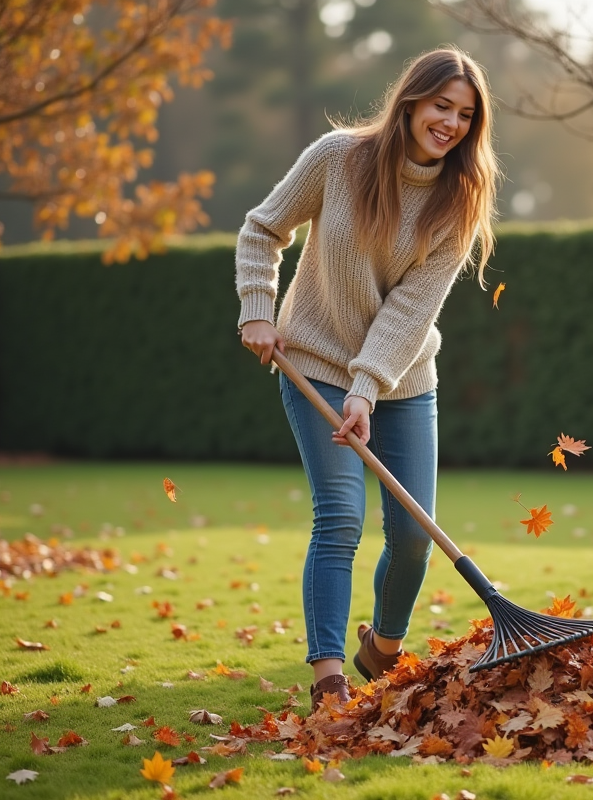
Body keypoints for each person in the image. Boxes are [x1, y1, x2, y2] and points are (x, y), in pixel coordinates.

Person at [235, 47, 499, 712]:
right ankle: (328, 677)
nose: (452, 123)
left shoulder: (459, 198)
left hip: (403, 380)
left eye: (466, 115)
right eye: (442, 106)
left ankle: (382, 646)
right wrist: (258, 310)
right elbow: (262, 229)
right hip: (315, 365)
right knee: (340, 519)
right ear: (411, 101)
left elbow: (411, 310)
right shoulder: (337, 158)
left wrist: (367, 389)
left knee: (413, 537)